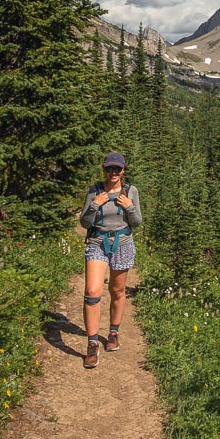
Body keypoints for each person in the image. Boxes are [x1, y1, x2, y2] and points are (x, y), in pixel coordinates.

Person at [79, 153, 142, 369]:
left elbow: (137, 222)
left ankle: (114, 332)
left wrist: (129, 206)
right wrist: (95, 205)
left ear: (123, 170)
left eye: (117, 169)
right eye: (109, 169)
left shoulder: (130, 191)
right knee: (93, 291)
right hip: (97, 242)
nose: (113, 173)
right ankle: (92, 344)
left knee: (117, 290)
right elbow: (85, 222)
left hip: (123, 243)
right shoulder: (94, 191)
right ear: (104, 169)